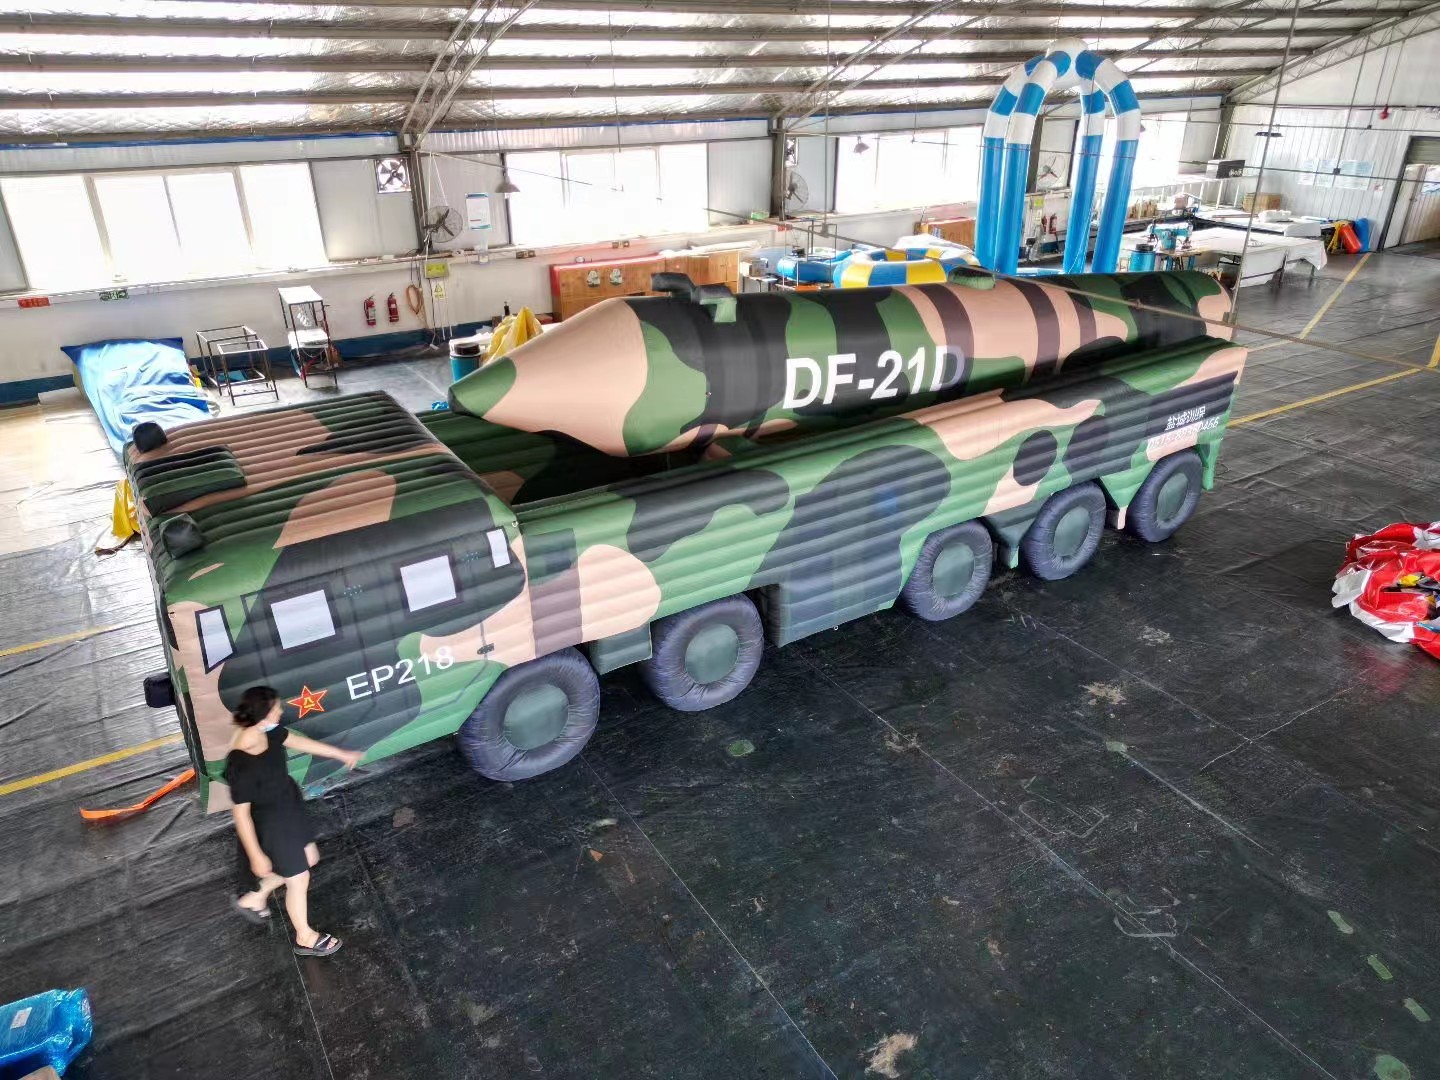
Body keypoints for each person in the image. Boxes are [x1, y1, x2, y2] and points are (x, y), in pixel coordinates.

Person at [225, 686, 362, 957]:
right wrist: (256, 855)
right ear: (263, 713)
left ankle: (256, 895)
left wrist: (340, 754)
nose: (281, 710)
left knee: (309, 858)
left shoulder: (268, 730)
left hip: (288, 806)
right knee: (299, 878)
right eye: (276, 707)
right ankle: (305, 936)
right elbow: (241, 814)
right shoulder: (240, 760)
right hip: (271, 821)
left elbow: (298, 742)